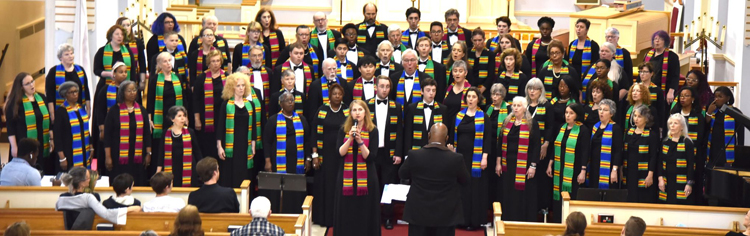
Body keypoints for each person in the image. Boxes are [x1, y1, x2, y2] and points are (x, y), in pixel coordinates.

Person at [399, 123, 469, 236]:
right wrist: (452, 153)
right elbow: (465, 180)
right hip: (446, 214)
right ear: (446, 138)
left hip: (418, 211)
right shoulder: (456, 158)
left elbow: (402, 174)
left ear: (428, 135)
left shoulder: (414, 155)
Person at [333, 99, 381, 236]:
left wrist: (360, 142)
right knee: (347, 210)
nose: (357, 113)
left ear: (365, 112)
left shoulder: (373, 130)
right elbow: (339, 153)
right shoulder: (343, 129)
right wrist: (349, 139)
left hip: (366, 178)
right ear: (350, 114)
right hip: (346, 177)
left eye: (360, 110)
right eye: (354, 110)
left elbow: (371, 157)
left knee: (365, 210)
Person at [262, 92, 311, 213]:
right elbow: (267, 141)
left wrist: (308, 158)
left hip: (297, 162)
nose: (290, 102)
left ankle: (296, 212)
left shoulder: (301, 119)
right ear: (281, 103)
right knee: (279, 188)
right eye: (287, 100)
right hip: (278, 161)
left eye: (292, 100)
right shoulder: (273, 120)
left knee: (295, 189)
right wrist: (267, 161)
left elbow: (308, 140)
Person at [366, 76, 403, 229]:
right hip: (371, 152)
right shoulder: (366, 104)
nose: (384, 89)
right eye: (382, 86)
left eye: (387, 86)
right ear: (376, 87)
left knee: (388, 186)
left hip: (389, 153)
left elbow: (400, 132)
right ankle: (372, 217)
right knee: (372, 185)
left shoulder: (396, 106)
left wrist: (399, 153)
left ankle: (388, 217)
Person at [497, 96, 540, 222]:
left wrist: (533, 166)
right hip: (508, 164)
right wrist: (498, 163)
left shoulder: (531, 123)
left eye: (518, 106)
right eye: (514, 105)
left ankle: (521, 220)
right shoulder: (507, 122)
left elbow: (536, 145)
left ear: (525, 107)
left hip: (524, 164)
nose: (515, 108)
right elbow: (500, 144)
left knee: (521, 194)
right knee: (508, 192)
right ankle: (508, 219)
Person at [311, 83, 348, 226]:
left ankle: (339, 218)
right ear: (329, 95)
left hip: (342, 154)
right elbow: (314, 133)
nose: (337, 96)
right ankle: (324, 218)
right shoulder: (322, 110)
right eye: (334, 94)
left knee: (339, 185)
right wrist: (314, 155)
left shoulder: (346, 110)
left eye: (339, 94)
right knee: (325, 186)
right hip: (324, 155)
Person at [453, 87, 490, 230]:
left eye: (474, 97)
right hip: (461, 158)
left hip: (476, 159)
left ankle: (474, 222)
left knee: (475, 189)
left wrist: (484, 157)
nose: (470, 99)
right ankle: (461, 220)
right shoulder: (459, 116)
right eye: (468, 96)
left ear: (478, 99)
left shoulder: (483, 116)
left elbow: (487, 139)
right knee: (462, 189)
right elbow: (453, 135)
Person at [548, 103, 590, 222]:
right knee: (558, 196)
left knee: (571, 196)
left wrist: (583, 171)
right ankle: (558, 221)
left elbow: (585, 152)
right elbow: (555, 146)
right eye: (566, 113)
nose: (568, 115)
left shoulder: (583, 130)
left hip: (574, 170)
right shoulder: (561, 127)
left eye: (571, 113)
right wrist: (550, 164)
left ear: (577, 115)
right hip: (559, 168)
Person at [104, 81, 152, 186]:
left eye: (134, 90)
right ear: (122, 93)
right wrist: (108, 157)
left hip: (138, 155)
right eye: (129, 91)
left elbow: (147, 134)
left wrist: (149, 153)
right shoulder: (114, 111)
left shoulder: (142, 110)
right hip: (118, 156)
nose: (132, 93)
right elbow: (107, 136)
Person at [56, 167, 140, 227]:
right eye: (88, 178)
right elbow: (106, 213)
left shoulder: (61, 198)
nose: (90, 180)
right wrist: (129, 209)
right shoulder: (87, 198)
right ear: (81, 183)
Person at [217, 73, 260, 188]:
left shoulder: (250, 104)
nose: (241, 88)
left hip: (245, 145)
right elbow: (220, 127)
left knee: (245, 174)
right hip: (230, 145)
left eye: (243, 85)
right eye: (238, 86)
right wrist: (219, 146)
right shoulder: (226, 105)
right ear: (232, 88)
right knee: (230, 175)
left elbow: (254, 127)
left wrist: (253, 145)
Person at [5, 73, 53, 173]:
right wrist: (14, 146)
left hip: (42, 142)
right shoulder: (15, 103)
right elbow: (11, 128)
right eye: (27, 83)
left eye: (32, 81)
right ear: (21, 87)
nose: (32, 85)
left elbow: (49, 122)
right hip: (23, 144)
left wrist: (51, 139)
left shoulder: (41, 97)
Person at [191, 49, 229, 160]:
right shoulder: (201, 78)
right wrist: (197, 119)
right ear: (208, 63)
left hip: (222, 116)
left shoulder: (227, 77)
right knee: (207, 145)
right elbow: (196, 100)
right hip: (205, 118)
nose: (216, 63)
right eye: (213, 61)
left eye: (218, 61)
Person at [670, 86, 706, 204]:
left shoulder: (698, 116)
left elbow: (700, 138)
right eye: (681, 96)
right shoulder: (674, 114)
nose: (683, 98)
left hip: (695, 155)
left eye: (686, 96)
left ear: (693, 99)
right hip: (676, 155)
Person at [525, 78, 555, 212]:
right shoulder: (524, 104)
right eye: (530, 88)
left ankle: (541, 206)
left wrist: (546, 143)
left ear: (541, 91)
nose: (532, 91)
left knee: (540, 177)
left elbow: (550, 127)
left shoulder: (546, 105)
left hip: (541, 146)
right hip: (524, 146)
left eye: (535, 89)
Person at [93, 62, 129, 171]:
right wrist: (102, 128)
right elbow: (100, 110)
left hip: (125, 127)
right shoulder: (105, 90)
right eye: (120, 72)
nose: (123, 74)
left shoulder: (130, 89)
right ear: (114, 74)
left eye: (125, 72)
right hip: (109, 128)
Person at [157, 106, 203, 187]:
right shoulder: (165, 133)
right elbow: (161, 153)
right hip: (172, 167)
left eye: (184, 116)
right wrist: (158, 171)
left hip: (188, 167)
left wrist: (202, 169)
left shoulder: (190, 132)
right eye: (179, 116)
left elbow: (197, 152)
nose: (183, 118)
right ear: (172, 119)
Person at [45, 44, 91, 121]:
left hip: (79, 109)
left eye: (72, 53)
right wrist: (52, 113)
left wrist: (88, 109)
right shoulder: (53, 71)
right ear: (60, 58)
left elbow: (86, 90)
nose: (70, 56)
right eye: (67, 54)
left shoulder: (80, 70)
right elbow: (50, 95)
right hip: (61, 111)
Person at [54, 81, 92, 171]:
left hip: (84, 151)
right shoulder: (61, 111)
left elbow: (86, 128)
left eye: (76, 91)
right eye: (71, 92)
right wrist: (62, 158)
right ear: (65, 95)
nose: (75, 94)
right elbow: (58, 137)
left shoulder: (81, 108)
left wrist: (91, 146)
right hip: (69, 153)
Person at [624, 105, 659, 203]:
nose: (636, 119)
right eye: (635, 116)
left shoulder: (651, 135)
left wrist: (650, 175)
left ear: (646, 119)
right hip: (630, 171)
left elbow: (653, 156)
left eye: (639, 116)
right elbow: (625, 153)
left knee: (643, 197)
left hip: (644, 172)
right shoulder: (629, 132)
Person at [658, 114, 695, 204]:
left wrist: (689, 184)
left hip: (681, 182)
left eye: (675, 123)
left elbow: (691, 165)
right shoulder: (665, 142)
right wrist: (660, 179)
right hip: (666, 181)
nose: (672, 126)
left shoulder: (687, 143)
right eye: (670, 123)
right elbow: (660, 162)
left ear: (682, 127)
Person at [585, 99, 622, 189]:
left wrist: (614, 170)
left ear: (611, 114)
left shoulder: (615, 128)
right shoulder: (595, 127)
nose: (601, 112)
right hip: (594, 166)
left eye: (605, 110)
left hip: (609, 167)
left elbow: (618, 151)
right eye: (600, 109)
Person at [404, 78, 446, 151]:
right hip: (417, 150)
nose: (431, 93)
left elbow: (444, 134)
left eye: (433, 90)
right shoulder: (412, 108)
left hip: (435, 151)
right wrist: (407, 154)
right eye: (428, 90)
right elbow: (408, 133)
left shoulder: (442, 109)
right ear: (422, 91)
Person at [706, 86, 744, 168]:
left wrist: (740, 152)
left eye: (720, 97)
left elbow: (741, 134)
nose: (716, 99)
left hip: (727, 150)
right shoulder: (713, 111)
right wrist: (709, 112)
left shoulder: (735, 112)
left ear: (728, 98)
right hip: (713, 148)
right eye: (715, 97)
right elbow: (706, 127)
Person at [93, 25, 137, 91]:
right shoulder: (102, 51)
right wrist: (109, 74)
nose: (120, 36)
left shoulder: (128, 51)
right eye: (117, 34)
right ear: (111, 36)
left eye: (122, 34)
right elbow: (96, 70)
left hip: (125, 88)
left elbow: (133, 71)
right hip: (106, 86)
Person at [644, 30, 680, 102]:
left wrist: (671, 92)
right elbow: (643, 71)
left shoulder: (672, 56)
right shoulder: (648, 55)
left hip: (664, 90)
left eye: (660, 39)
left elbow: (675, 76)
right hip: (649, 89)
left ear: (665, 42)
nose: (657, 41)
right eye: (655, 39)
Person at [116, 17, 147, 88]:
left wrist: (142, 81)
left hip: (134, 76)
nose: (126, 28)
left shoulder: (138, 42)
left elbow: (142, 63)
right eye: (123, 25)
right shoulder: (114, 43)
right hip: (118, 78)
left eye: (128, 25)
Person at [635, 63, 666, 133]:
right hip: (637, 120)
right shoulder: (635, 88)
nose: (642, 74)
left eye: (645, 72)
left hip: (652, 122)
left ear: (651, 74)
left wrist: (660, 127)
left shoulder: (657, 90)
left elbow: (661, 110)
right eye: (640, 72)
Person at [605, 27, 633, 99]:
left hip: (621, 87)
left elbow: (628, 72)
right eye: (608, 37)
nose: (610, 39)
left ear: (617, 38)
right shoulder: (602, 51)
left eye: (613, 37)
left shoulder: (624, 53)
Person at [468, 27, 496, 100]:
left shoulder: (490, 54)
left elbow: (490, 76)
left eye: (480, 40)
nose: (477, 43)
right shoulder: (468, 53)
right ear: (471, 40)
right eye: (475, 40)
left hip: (485, 90)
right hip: (469, 88)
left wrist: (479, 92)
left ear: (484, 39)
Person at [443, 60, 472, 129]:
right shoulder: (447, 89)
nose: (457, 74)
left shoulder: (470, 90)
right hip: (447, 126)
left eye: (460, 71)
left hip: (463, 126)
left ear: (465, 73)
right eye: (455, 71)